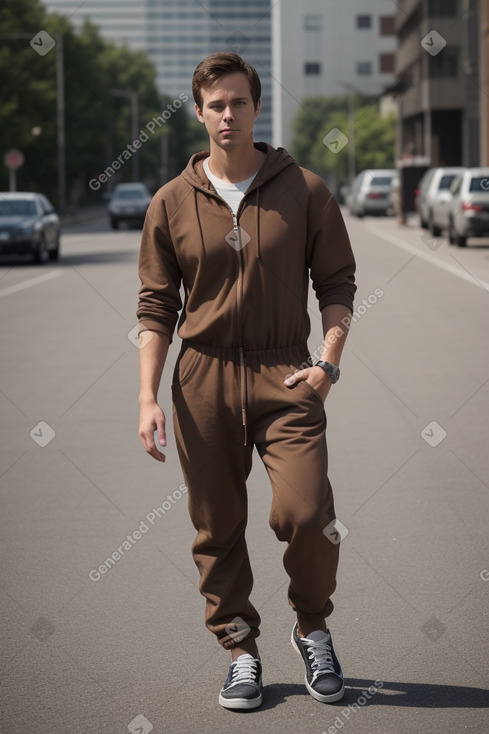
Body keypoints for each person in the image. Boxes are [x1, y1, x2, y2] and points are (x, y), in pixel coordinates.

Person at [137, 52, 356, 710]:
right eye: (215, 105)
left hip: (284, 368)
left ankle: (312, 625)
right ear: (199, 113)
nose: (227, 115)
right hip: (200, 378)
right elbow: (155, 307)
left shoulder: (305, 191)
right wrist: (147, 394)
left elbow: (338, 284)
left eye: (237, 102)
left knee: (308, 514)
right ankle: (239, 649)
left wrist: (328, 361)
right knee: (217, 526)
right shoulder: (170, 202)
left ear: (256, 108)